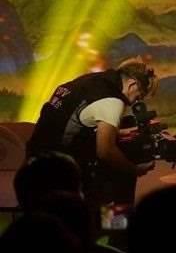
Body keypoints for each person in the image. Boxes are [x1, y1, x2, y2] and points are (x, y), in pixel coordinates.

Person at [25, 60, 158, 208]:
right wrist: (133, 170)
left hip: (35, 161)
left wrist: (116, 132)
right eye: (138, 97)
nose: (133, 103)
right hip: (58, 170)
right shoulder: (112, 101)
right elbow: (105, 151)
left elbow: (75, 121)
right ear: (132, 84)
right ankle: (114, 219)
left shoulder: (91, 81)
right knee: (118, 167)